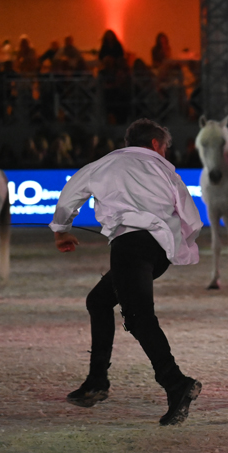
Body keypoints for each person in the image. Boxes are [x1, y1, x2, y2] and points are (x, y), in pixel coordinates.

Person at [50, 119, 203, 426]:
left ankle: (175, 382)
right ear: (156, 144)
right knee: (99, 300)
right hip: (160, 250)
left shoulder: (103, 164)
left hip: (130, 246)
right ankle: (96, 380)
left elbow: (70, 194)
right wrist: (176, 242)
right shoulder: (166, 170)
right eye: (165, 147)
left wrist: (61, 230)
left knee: (138, 316)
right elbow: (191, 216)